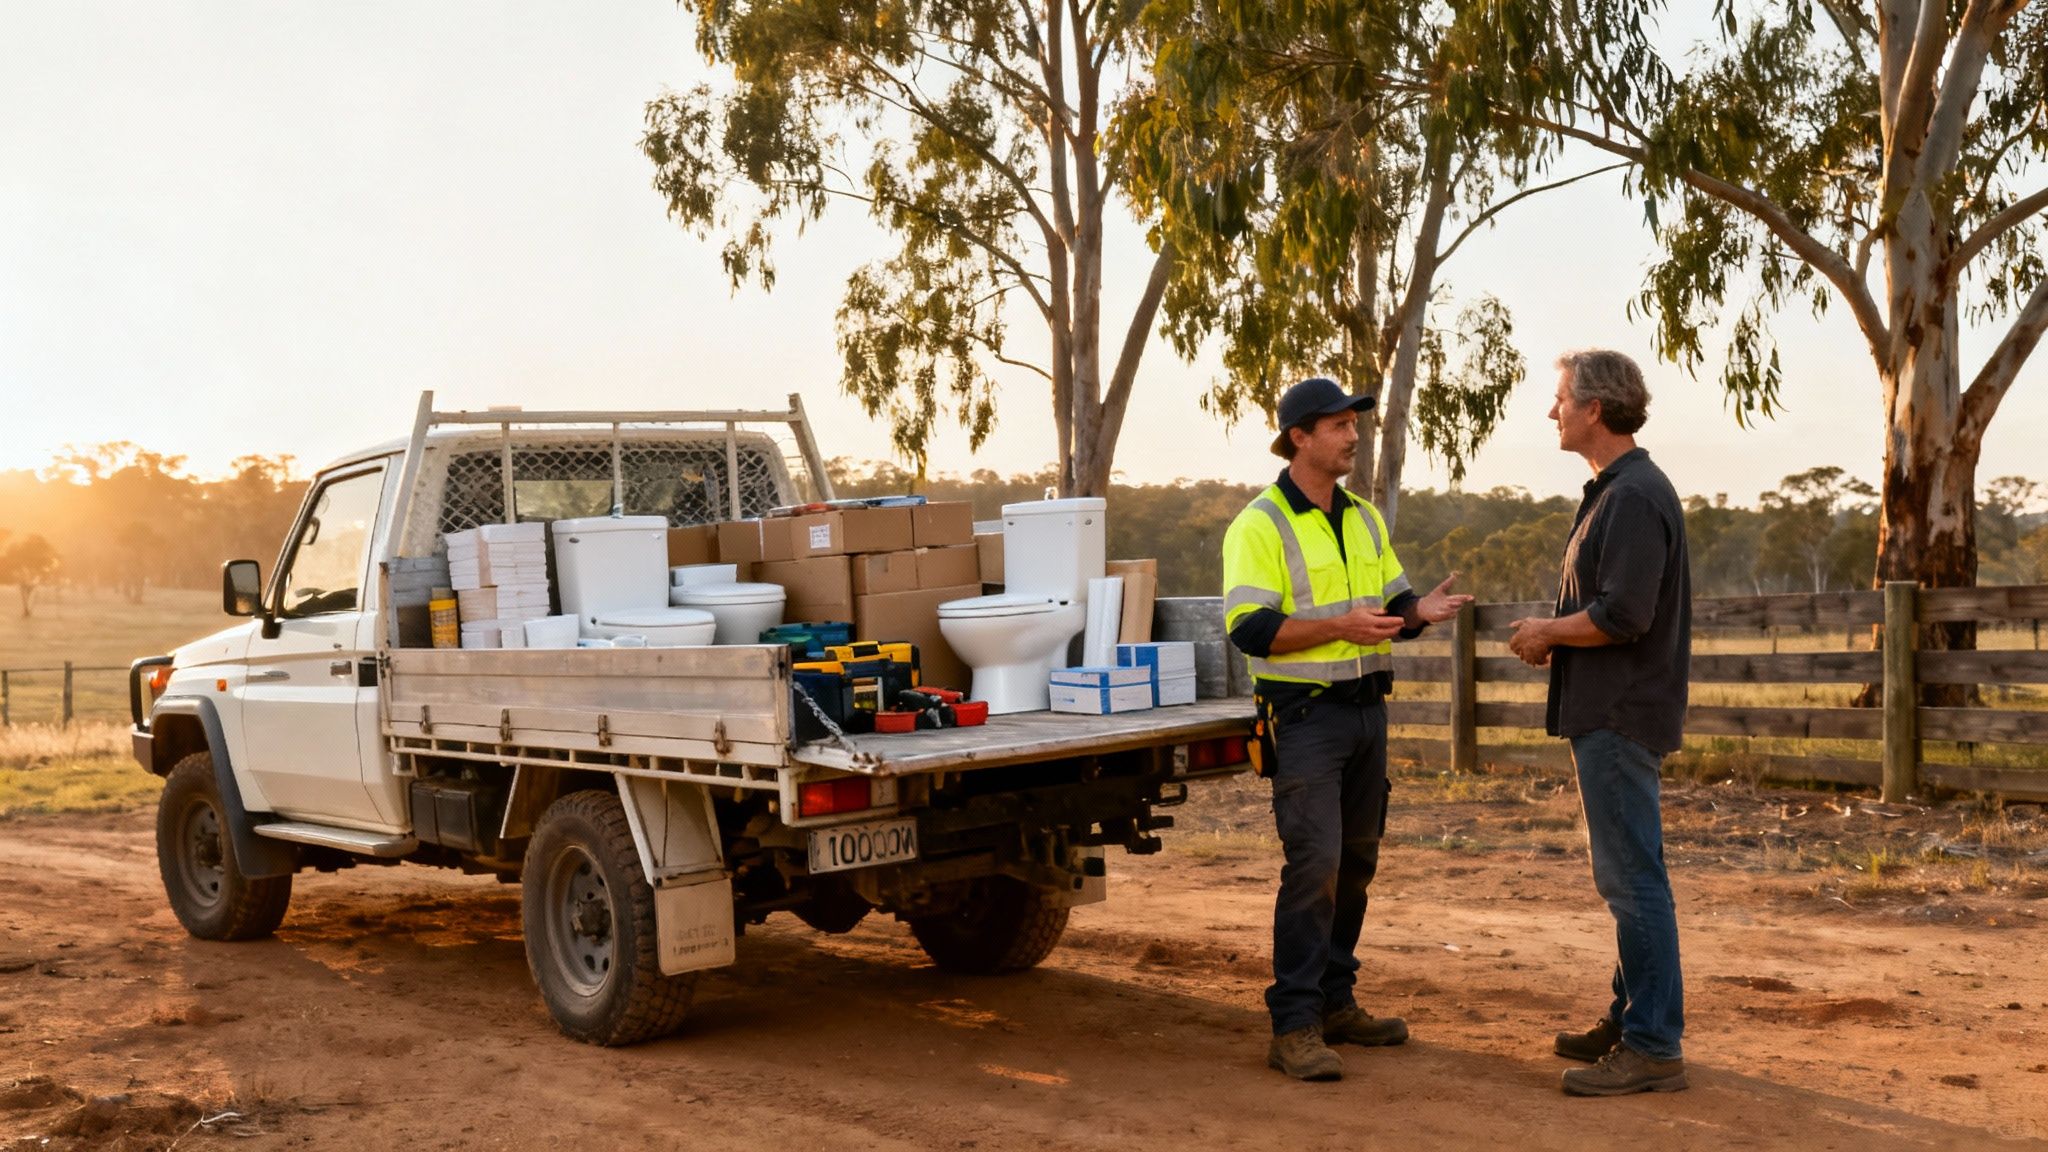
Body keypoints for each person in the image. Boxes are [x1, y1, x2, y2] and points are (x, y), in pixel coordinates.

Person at [1222, 376, 1472, 1082]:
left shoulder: (1363, 517)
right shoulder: (1259, 525)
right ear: (1299, 437)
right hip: (1303, 722)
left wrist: (1421, 609)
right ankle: (1294, 1026)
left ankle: (1335, 1002)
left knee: (1356, 863)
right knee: (1316, 867)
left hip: (1367, 714)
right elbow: (1251, 630)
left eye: (1353, 424)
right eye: (1337, 425)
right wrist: (1339, 625)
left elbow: (1391, 603)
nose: (1353, 435)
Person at [1507, 349, 1692, 1097]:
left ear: (1595, 407)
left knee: (1631, 880)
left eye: (1559, 400)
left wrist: (1550, 633)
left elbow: (1625, 616)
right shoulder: (1615, 490)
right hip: (1609, 709)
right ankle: (1631, 1017)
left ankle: (1653, 1042)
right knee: (1626, 875)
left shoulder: (1633, 496)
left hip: (1620, 715)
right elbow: (1614, 612)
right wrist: (1559, 638)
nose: (1551, 412)